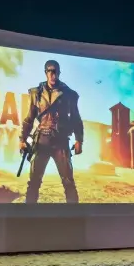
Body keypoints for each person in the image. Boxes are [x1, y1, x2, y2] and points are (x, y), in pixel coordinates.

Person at [20, 59, 84, 204]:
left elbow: (76, 118)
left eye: (56, 71)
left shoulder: (69, 94)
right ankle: (27, 217)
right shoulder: (36, 94)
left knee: (68, 181)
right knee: (34, 182)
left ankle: (75, 217)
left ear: (59, 73)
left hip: (60, 140)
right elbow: (29, 118)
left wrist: (79, 140)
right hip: (41, 139)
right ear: (46, 73)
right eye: (50, 71)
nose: (53, 75)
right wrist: (22, 140)